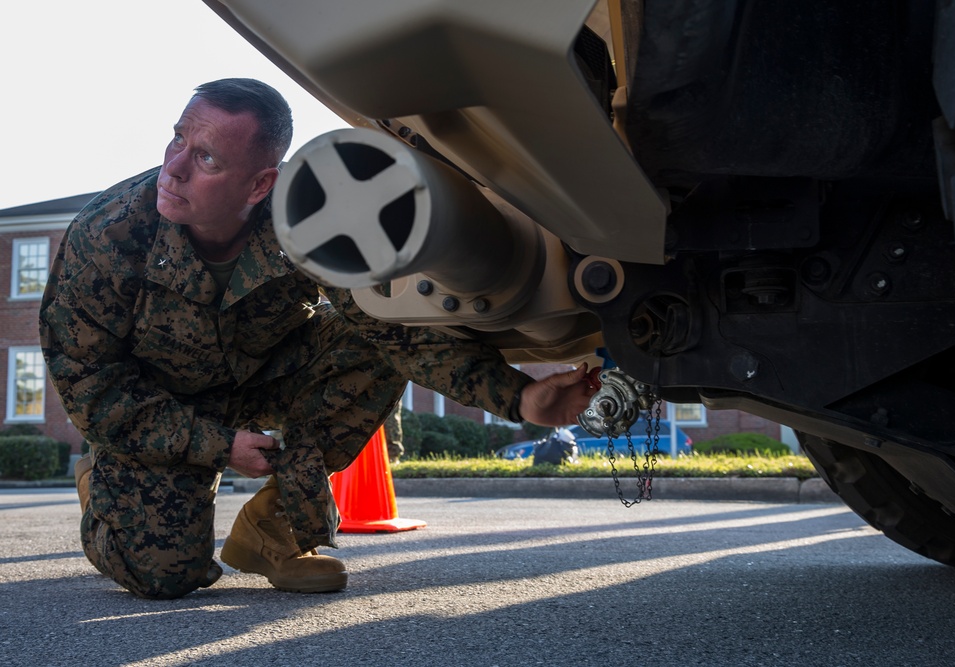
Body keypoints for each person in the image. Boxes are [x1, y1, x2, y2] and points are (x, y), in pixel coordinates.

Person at [40, 78, 594, 600]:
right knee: (164, 576)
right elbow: (91, 388)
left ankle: (273, 530)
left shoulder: (306, 219)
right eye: (178, 139)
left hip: (261, 376)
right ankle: (105, 480)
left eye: (206, 157)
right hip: (157, 407)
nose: (174, 168)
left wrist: (519, 397)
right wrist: (219, 445)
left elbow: (391, 327)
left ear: (261, 184)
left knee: (370, 346)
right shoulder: (108, 235)